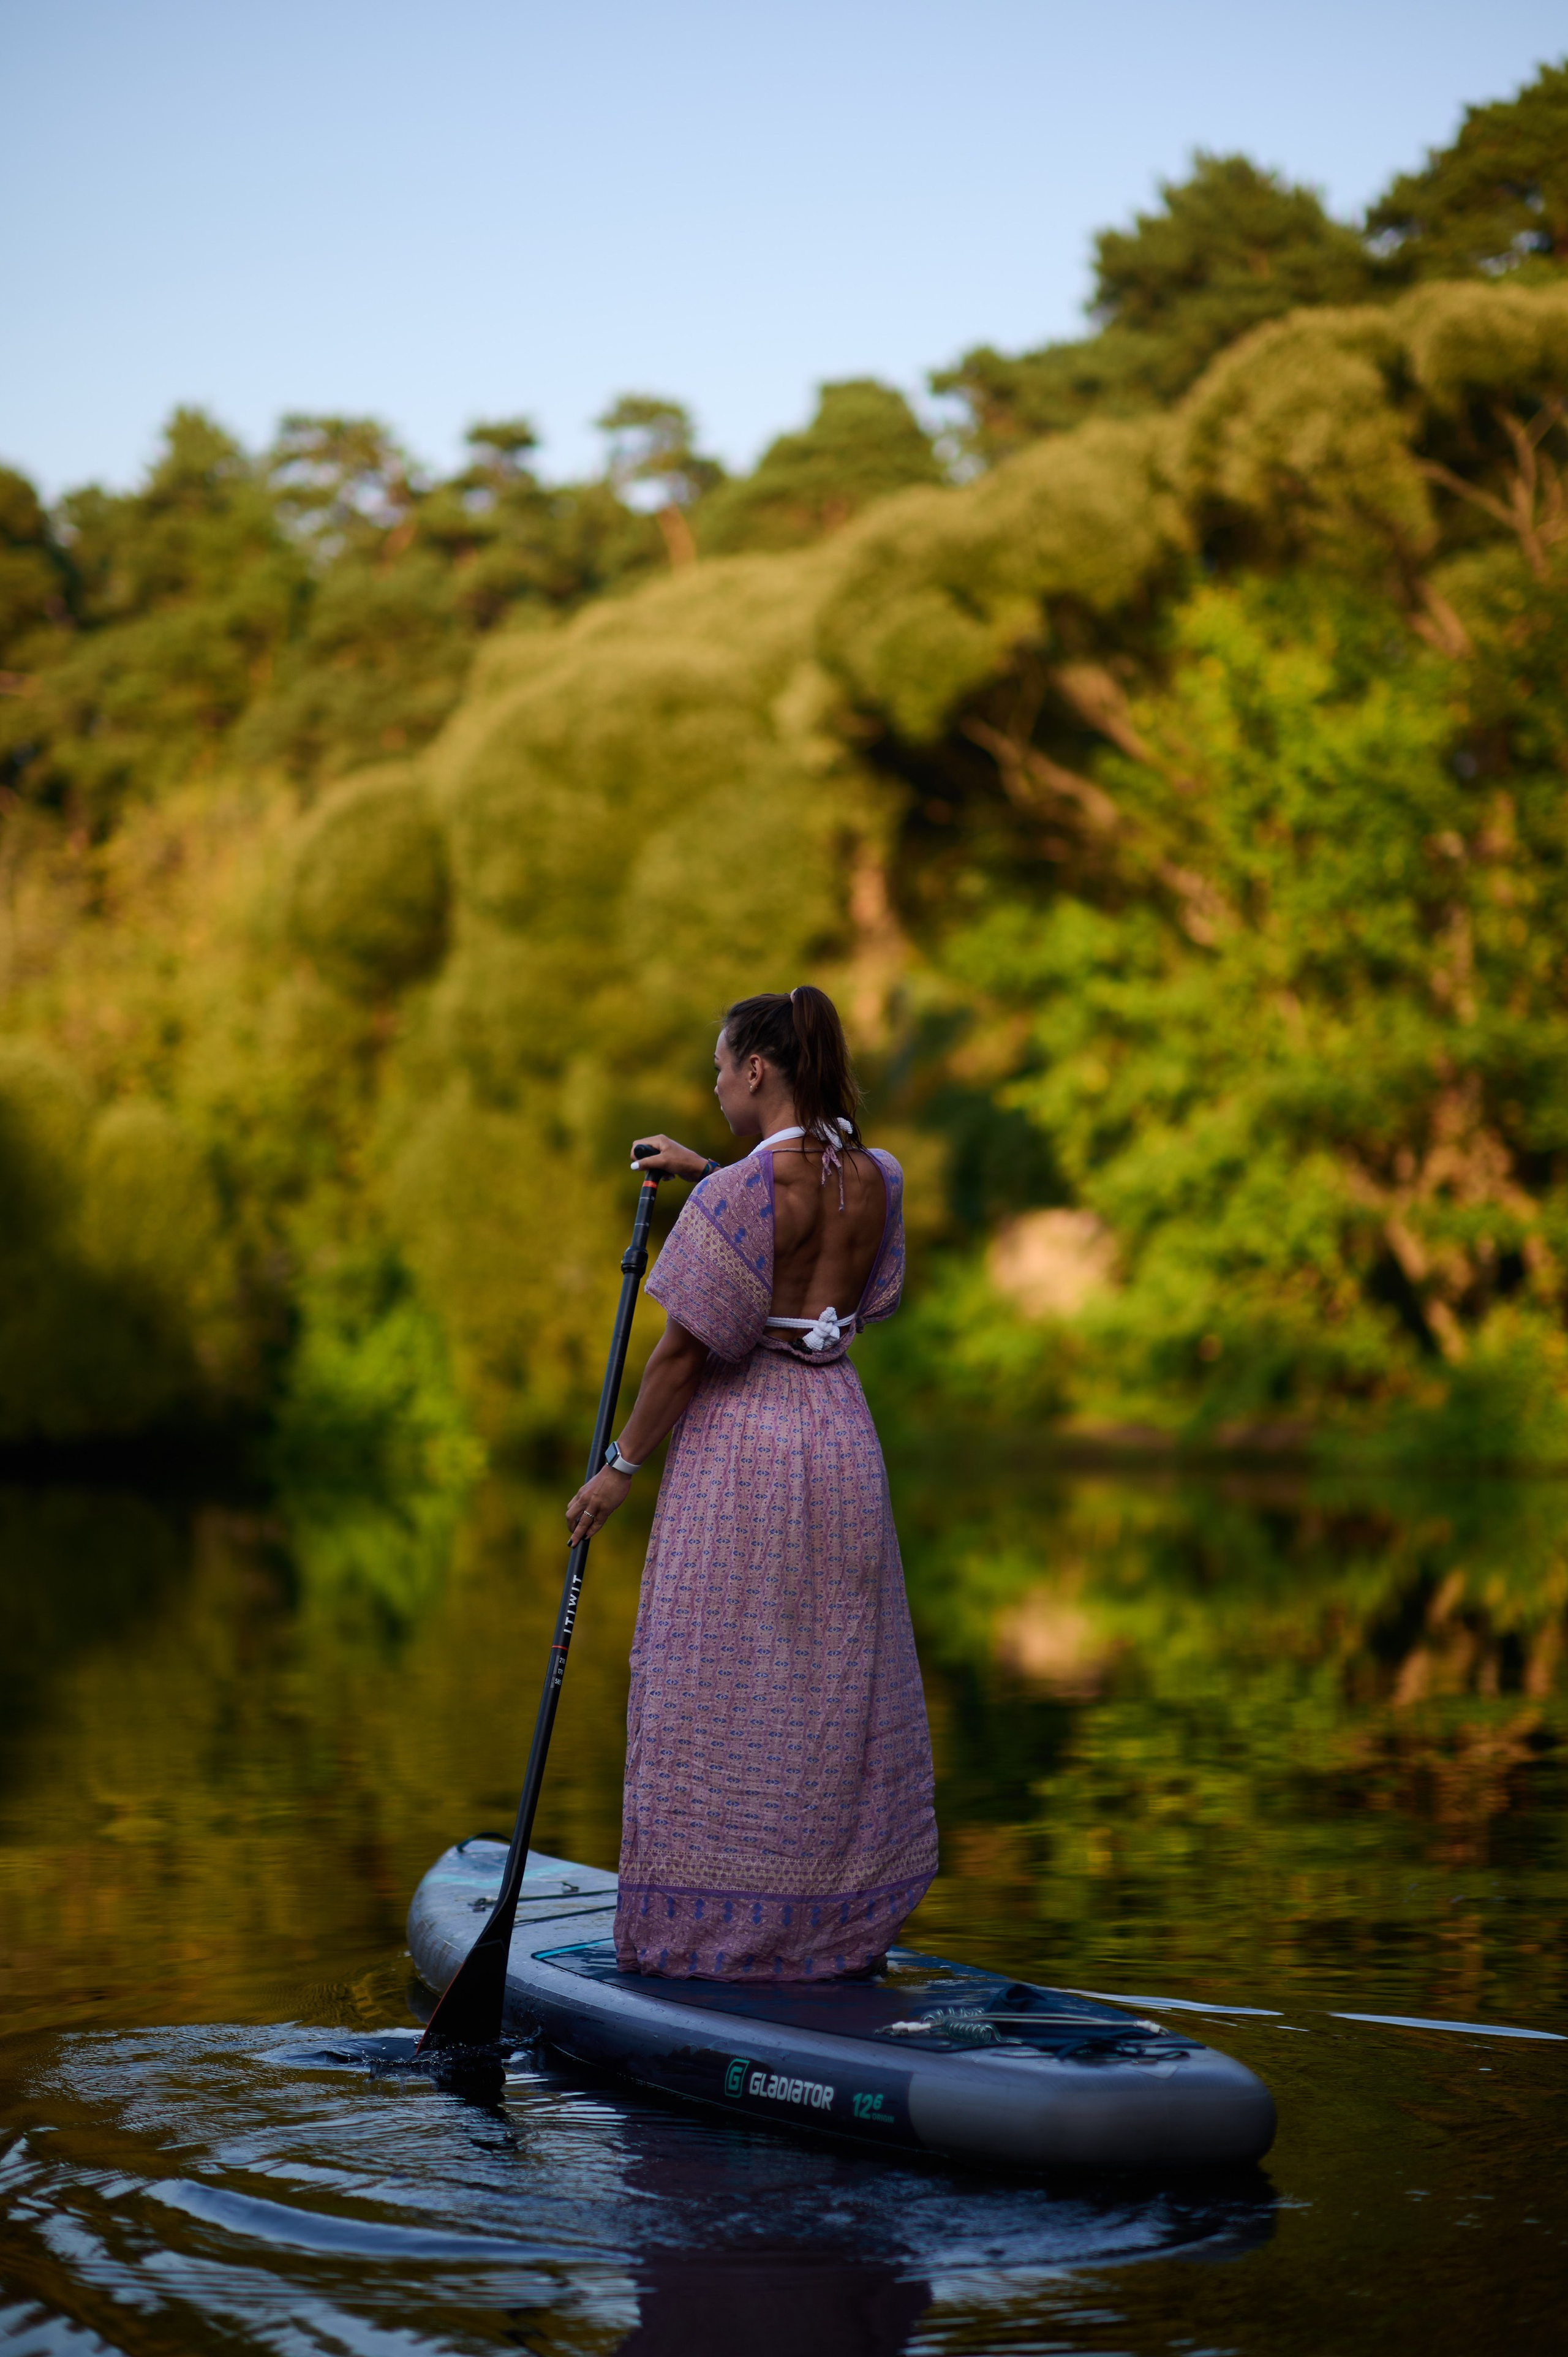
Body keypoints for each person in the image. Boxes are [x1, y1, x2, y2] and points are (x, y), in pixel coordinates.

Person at [565, 986, 937, 1980]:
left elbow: (683, 1360)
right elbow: (810, 1227)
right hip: (842, 1439)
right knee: (822, 1692)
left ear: (758, 1071)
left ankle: (707, 1943)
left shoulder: (741, 1197)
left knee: (716, 1686)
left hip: (748, 1446)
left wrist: (618, 1471)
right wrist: (712, 1171)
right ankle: (824, 1933)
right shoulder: (878, 1177)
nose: (717, 1085)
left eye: (722, 1070)